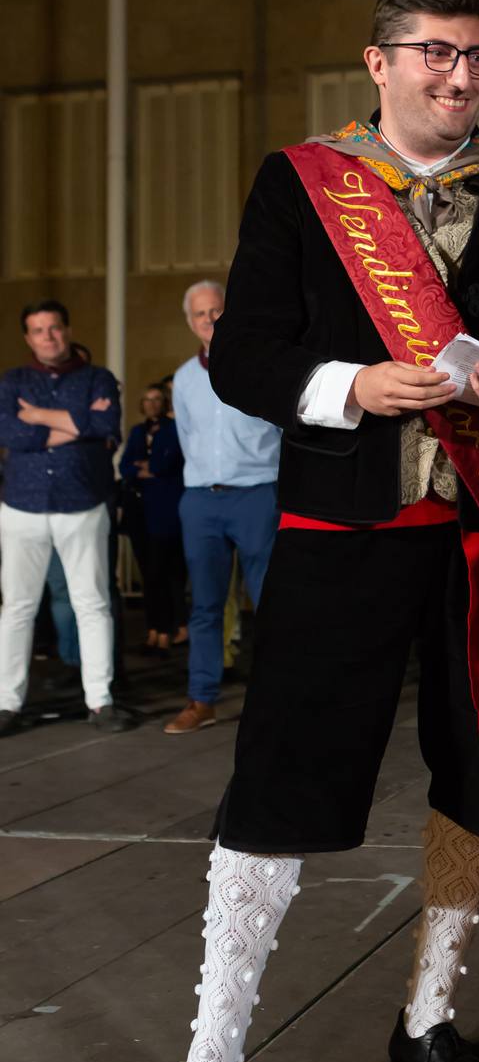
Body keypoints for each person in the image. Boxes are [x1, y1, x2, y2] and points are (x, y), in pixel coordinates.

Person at [83, 0, 479, 1062]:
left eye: (477, 56)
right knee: (279, 781)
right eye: (436, 53)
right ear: (377, 64)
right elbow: (251, 353)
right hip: (342, 519)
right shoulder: (300, 182)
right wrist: (357, 389)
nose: (461, 74)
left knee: (475, 777)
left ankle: (429, 1018)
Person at [0, 301, 135, 735]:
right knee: (18, 608)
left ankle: (101, 702)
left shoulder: (98, 378)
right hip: (21, 506)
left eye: (54, 328)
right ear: (28, 337)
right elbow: (8, 433)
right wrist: (79, 424)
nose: (48, 336)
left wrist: (36, 417)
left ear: (67, 328)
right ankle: (7, 703)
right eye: (38, 330)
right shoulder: (12, 381)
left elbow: (107, 424)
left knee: (92, 604)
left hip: (82, 503)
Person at [163, 280, 281, 734]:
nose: (209, 321)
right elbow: (187, 437)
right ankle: (202, 699)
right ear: (190, 323)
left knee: (270, 602)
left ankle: (277, 699)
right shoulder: (184, 378)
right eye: (199, 315)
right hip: (201, 501)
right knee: (205, 607)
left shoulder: (262, 367)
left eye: (216, 311)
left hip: (257, 495)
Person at [118, 384, 187, 651]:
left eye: (157, 399)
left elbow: (165, 463)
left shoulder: (173, 430)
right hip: (140, 511)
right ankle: (154, 629)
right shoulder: (137, 431)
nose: (152, 403)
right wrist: (142, 469)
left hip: (166, 510)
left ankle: (169, 627)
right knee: (148, 571)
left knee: (166, 571)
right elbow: (125, 466)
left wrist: (147, 467)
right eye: (147, 399)